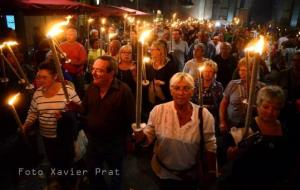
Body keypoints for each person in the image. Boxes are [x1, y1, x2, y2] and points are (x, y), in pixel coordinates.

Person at [134, 72, 217, 190]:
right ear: (171, 90)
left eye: (186, 88)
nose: (181, 93)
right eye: (177, 88)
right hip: (161, 172)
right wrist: (141, 136)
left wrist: (212, 171)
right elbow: (149, 136)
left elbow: (210, 144)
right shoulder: (159, 110)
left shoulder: (204, 115)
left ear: (192, 91)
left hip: (190, 175)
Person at [78, 55, 135, 190]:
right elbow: (84, 110)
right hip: (94, 141)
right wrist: (75, 109)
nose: (93, 73)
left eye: (99, 70)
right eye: (93, 69)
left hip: (114, 143)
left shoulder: (124, 91)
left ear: (111, 73)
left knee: (115, 172)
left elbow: (130, 119)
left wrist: (129, 140)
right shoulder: (92, 88)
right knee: (93, 171)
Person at [22, 61, 81, 188]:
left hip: (65, 137)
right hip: (47, 137)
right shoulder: (37, 94)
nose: (40, 80)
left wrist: (65, 116)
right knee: (54, 161)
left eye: (44, 77)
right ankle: (60, 181)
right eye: (39, 77)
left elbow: (80, 109)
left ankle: (70, 183)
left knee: (67, 163)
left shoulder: (67, 91)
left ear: (54, 76)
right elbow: (33, 112)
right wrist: (26, 124)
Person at [226, 85, 292, 190]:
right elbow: (228, 153)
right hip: (247, 183)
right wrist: (233, 152)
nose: (270, 112)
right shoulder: (245, 126)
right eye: (266, 107)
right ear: (258, 106)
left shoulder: (286, 129)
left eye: (275, 108)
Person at [219, 58, 265, 133]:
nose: (241, 73)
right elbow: (223, 103)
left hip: (253, 126)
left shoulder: (261, 87)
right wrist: (222, 121)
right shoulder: (233, 84)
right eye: (240, 70)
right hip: (232, 125)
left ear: (252, 70)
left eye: (244, 70)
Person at [143, 40, 178, 119]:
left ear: (160, 51)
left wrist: (163, 83)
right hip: (151, 101)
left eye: (152, 50)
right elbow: (146, 78)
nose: (150, 51)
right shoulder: (149, 64)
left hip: (165, 100)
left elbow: (175, 82)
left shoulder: (171, 66)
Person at [59, 27, 87, 98]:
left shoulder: (80, 47)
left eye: (71, 34)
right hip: (65, 73)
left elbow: (83, 60)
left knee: (78, 91)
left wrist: (73, 62)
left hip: (77, 74)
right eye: (67, 34)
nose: (68, 36)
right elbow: (57, 57)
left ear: (75, 36)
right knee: (67, 92)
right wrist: (60, 58)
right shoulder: (61, 46)